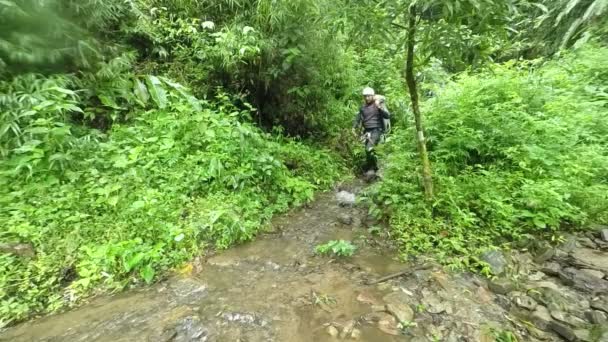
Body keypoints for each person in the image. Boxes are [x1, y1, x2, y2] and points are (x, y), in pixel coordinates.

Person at [352, 87, 390, 173]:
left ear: (373, 96)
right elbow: (357, 118)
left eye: (368, 96)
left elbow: (387, 116)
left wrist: (379, 107)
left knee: (369, 148)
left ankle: (374, 168)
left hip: (376, 130)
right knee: (367, 149)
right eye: (365, 96)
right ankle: (371, 166)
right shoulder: (362, 107)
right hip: (367, 132)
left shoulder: (377, 105)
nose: (367, 98)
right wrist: (353, 127)